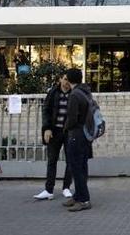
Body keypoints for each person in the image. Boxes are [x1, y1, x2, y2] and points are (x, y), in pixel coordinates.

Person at [33, 75, 73, 201]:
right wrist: (47, 128)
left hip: (69, 132)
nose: (67, 82)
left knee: (70, 160)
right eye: (65, 79)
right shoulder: (53, 93)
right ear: (60, 79)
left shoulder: (74, 93)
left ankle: (66, 187)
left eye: (69, 80)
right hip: (54, 131)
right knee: (52, 160)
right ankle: (48, 189)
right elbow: (46, 110)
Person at [62, 68, 93, 212]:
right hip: (85, 135)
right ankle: (78, 195)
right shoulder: (85, 92)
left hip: (76, 135)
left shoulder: (74, 95)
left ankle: (84, 199)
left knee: (76, 168)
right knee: (82, 166)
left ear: (68, 79)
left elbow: (72, 118)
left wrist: (65, 128)